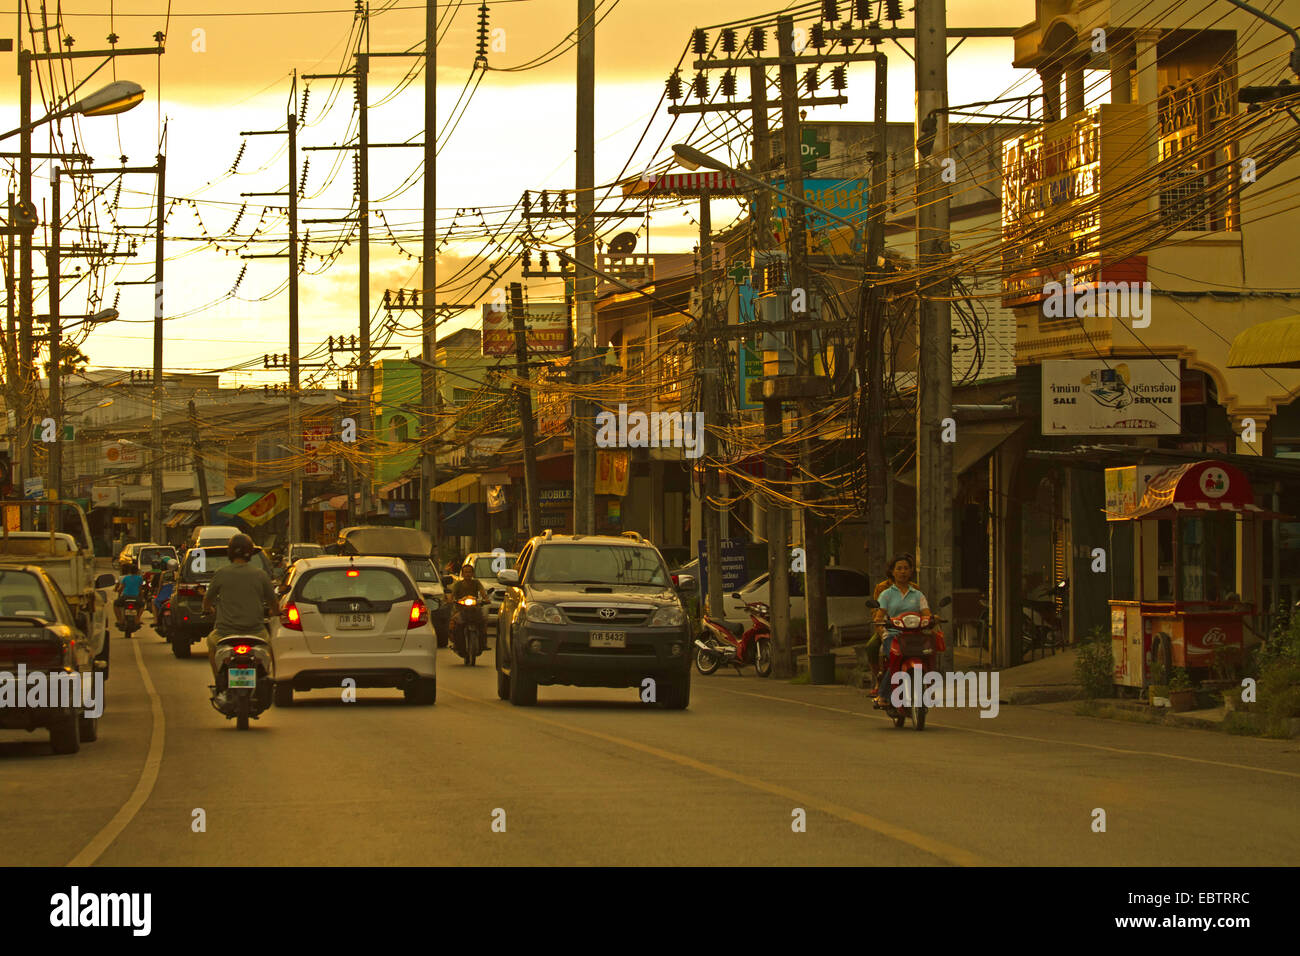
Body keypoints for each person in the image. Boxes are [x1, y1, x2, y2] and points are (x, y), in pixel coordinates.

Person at [201, 533, 279, 682]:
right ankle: (270, 679)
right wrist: (275, 612)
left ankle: (218, 680)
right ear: (249, 553)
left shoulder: (221, 574)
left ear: (229, 553)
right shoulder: (260, 575)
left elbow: (207, 599)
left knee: (211, 644)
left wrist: (207, 609)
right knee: (270, 647)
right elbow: (273, 602)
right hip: (256, 633)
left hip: (225, 633)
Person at [873, 553, 929, 708]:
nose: (903, 572)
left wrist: (932, 618)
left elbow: (926, 613)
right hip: (893, 635)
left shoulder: (918, 594)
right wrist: (881, 624)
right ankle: (883, 695)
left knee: (929, 654)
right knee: (894, 662)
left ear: (911, 571)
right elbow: (880, 614)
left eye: (906, 568)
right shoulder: (886, 594)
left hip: (915, 635)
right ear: (892, 572)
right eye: (899, 568)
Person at [449, 561, 489, 648]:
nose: (468, 574)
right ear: (462, 574)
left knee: (483, 621)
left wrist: (486, 599)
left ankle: (483, 643)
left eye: (469, 572)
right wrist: (450, 600)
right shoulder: (458, 584)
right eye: (466, 572)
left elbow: (483, 593)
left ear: (473, 573)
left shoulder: (476, 583)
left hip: (474, 609)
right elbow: (451, 596)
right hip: (460, 609)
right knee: (454, 623)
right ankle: (456, 643)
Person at [115, 561, 144, 628]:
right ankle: (138, 619)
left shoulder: (126, 578)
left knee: (115, 604)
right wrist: (142, 598)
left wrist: (118, 596)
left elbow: (120, 589)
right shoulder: (139, 578)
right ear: (137, 571)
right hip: (135, 597)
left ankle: (120, 620)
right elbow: (140, 590)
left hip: (125, 597)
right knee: (142, 605)